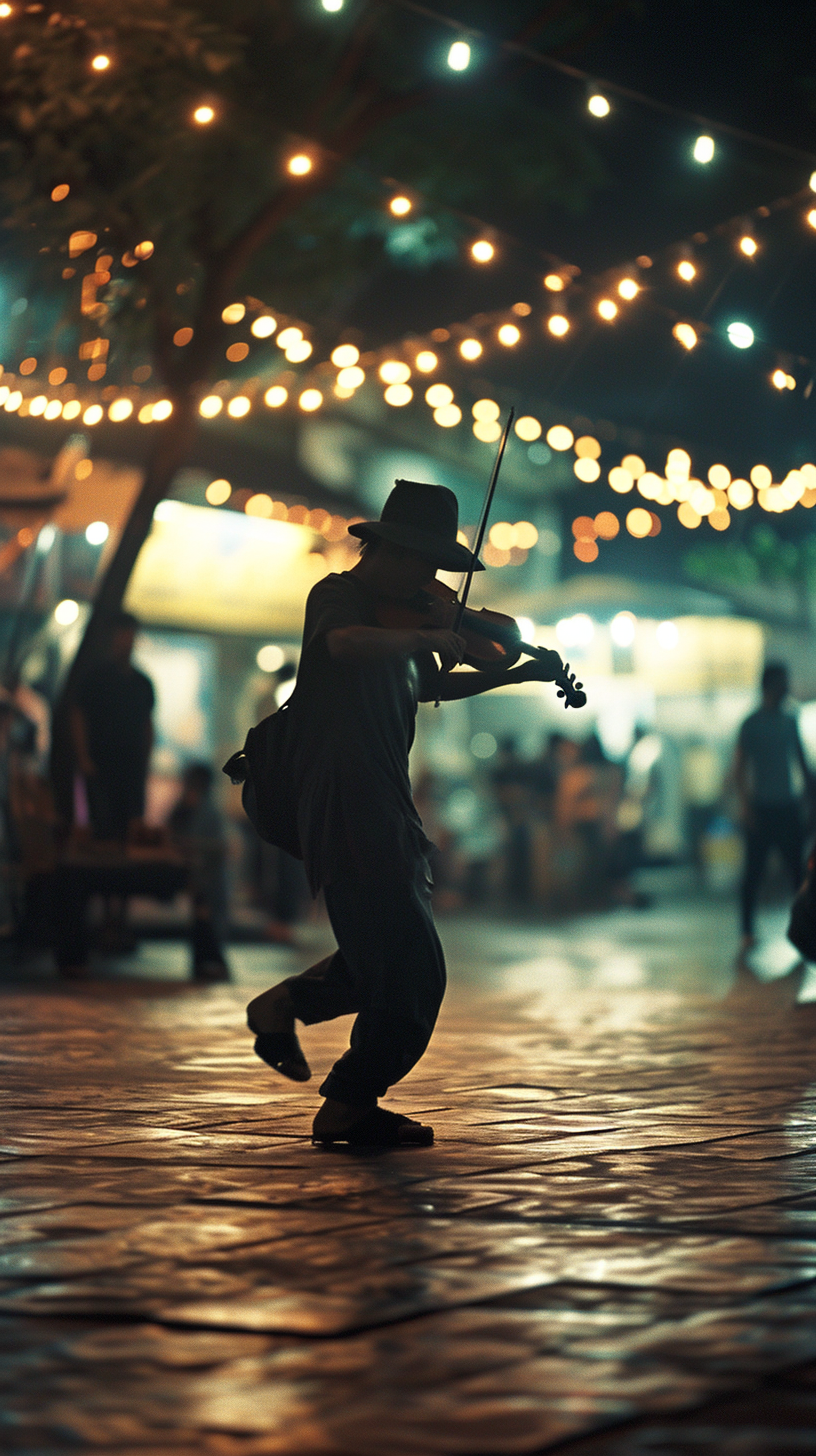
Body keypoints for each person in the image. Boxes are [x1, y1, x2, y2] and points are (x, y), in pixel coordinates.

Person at [246, 479, 564, 1149]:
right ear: (388, 548)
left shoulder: (409, 617)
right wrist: (431, 628)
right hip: (345, 797)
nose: (432, 580)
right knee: (412, 965)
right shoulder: (339, 598)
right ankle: (348, 1101)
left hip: (384, 797)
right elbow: (346, 645)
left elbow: (436, 682)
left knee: (386, 956)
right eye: (423, 562)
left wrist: (515, 673)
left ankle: (291, 1015)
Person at [735, 662, 812, 949]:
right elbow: (740, 767)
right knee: (753, 872)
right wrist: (745, 805)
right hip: (762, 807)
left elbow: (801, 762)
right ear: (769, 686)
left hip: (787, 806)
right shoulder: (751, 724)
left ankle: (804, 931)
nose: (787, 689)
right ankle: (746, 931)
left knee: (797, 873)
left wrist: (808, 801)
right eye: (782, 683)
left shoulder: (790, 720)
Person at [71, 610, 155, 841]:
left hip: (131, 766)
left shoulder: (142, 683)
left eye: (130, 635)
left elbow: (147, 724)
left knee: (130, 824)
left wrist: (146, 760)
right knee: (101, 823)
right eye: (122, 634)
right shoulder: (95, 677)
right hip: (101, 762)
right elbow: (79, 717)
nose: (127, 640)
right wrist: (84, 757)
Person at [168, 762, 230, 982]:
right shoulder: (190, 808)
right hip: (199, 876)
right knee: (202, 921)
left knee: (208, 921)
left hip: (208, 879)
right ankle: (205, 963)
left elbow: (218, 846)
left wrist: (190, 844)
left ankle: (211, 963)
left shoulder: (207, 810)